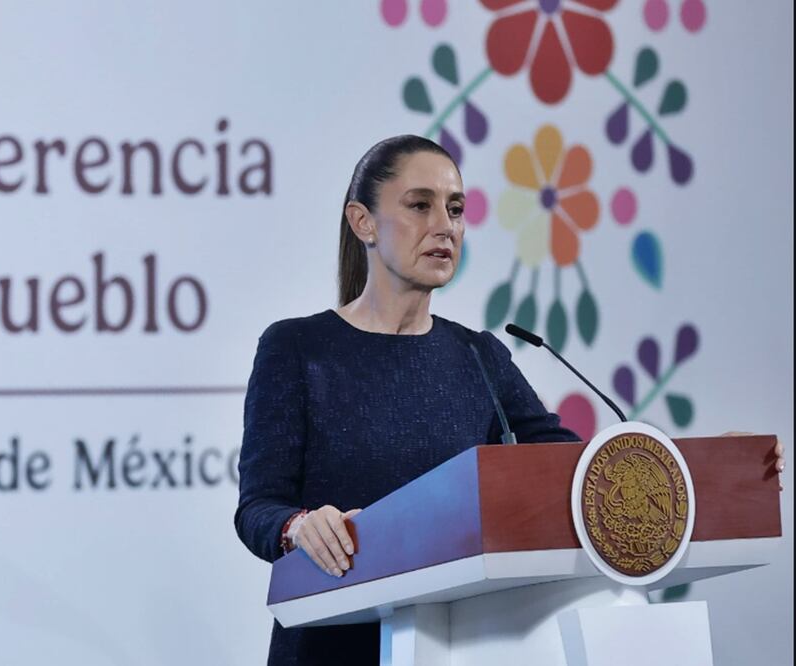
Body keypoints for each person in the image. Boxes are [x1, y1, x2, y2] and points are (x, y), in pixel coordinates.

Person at [232, 135, 785, 665]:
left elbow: (579, 474)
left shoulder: (478, 355)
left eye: (455, 209)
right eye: (420, 205)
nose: (444, 226)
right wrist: (299, 526)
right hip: (330, 645)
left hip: (457, 647)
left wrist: (703, 470)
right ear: (363, 222)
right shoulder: (297, 347)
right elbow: (258, 508)